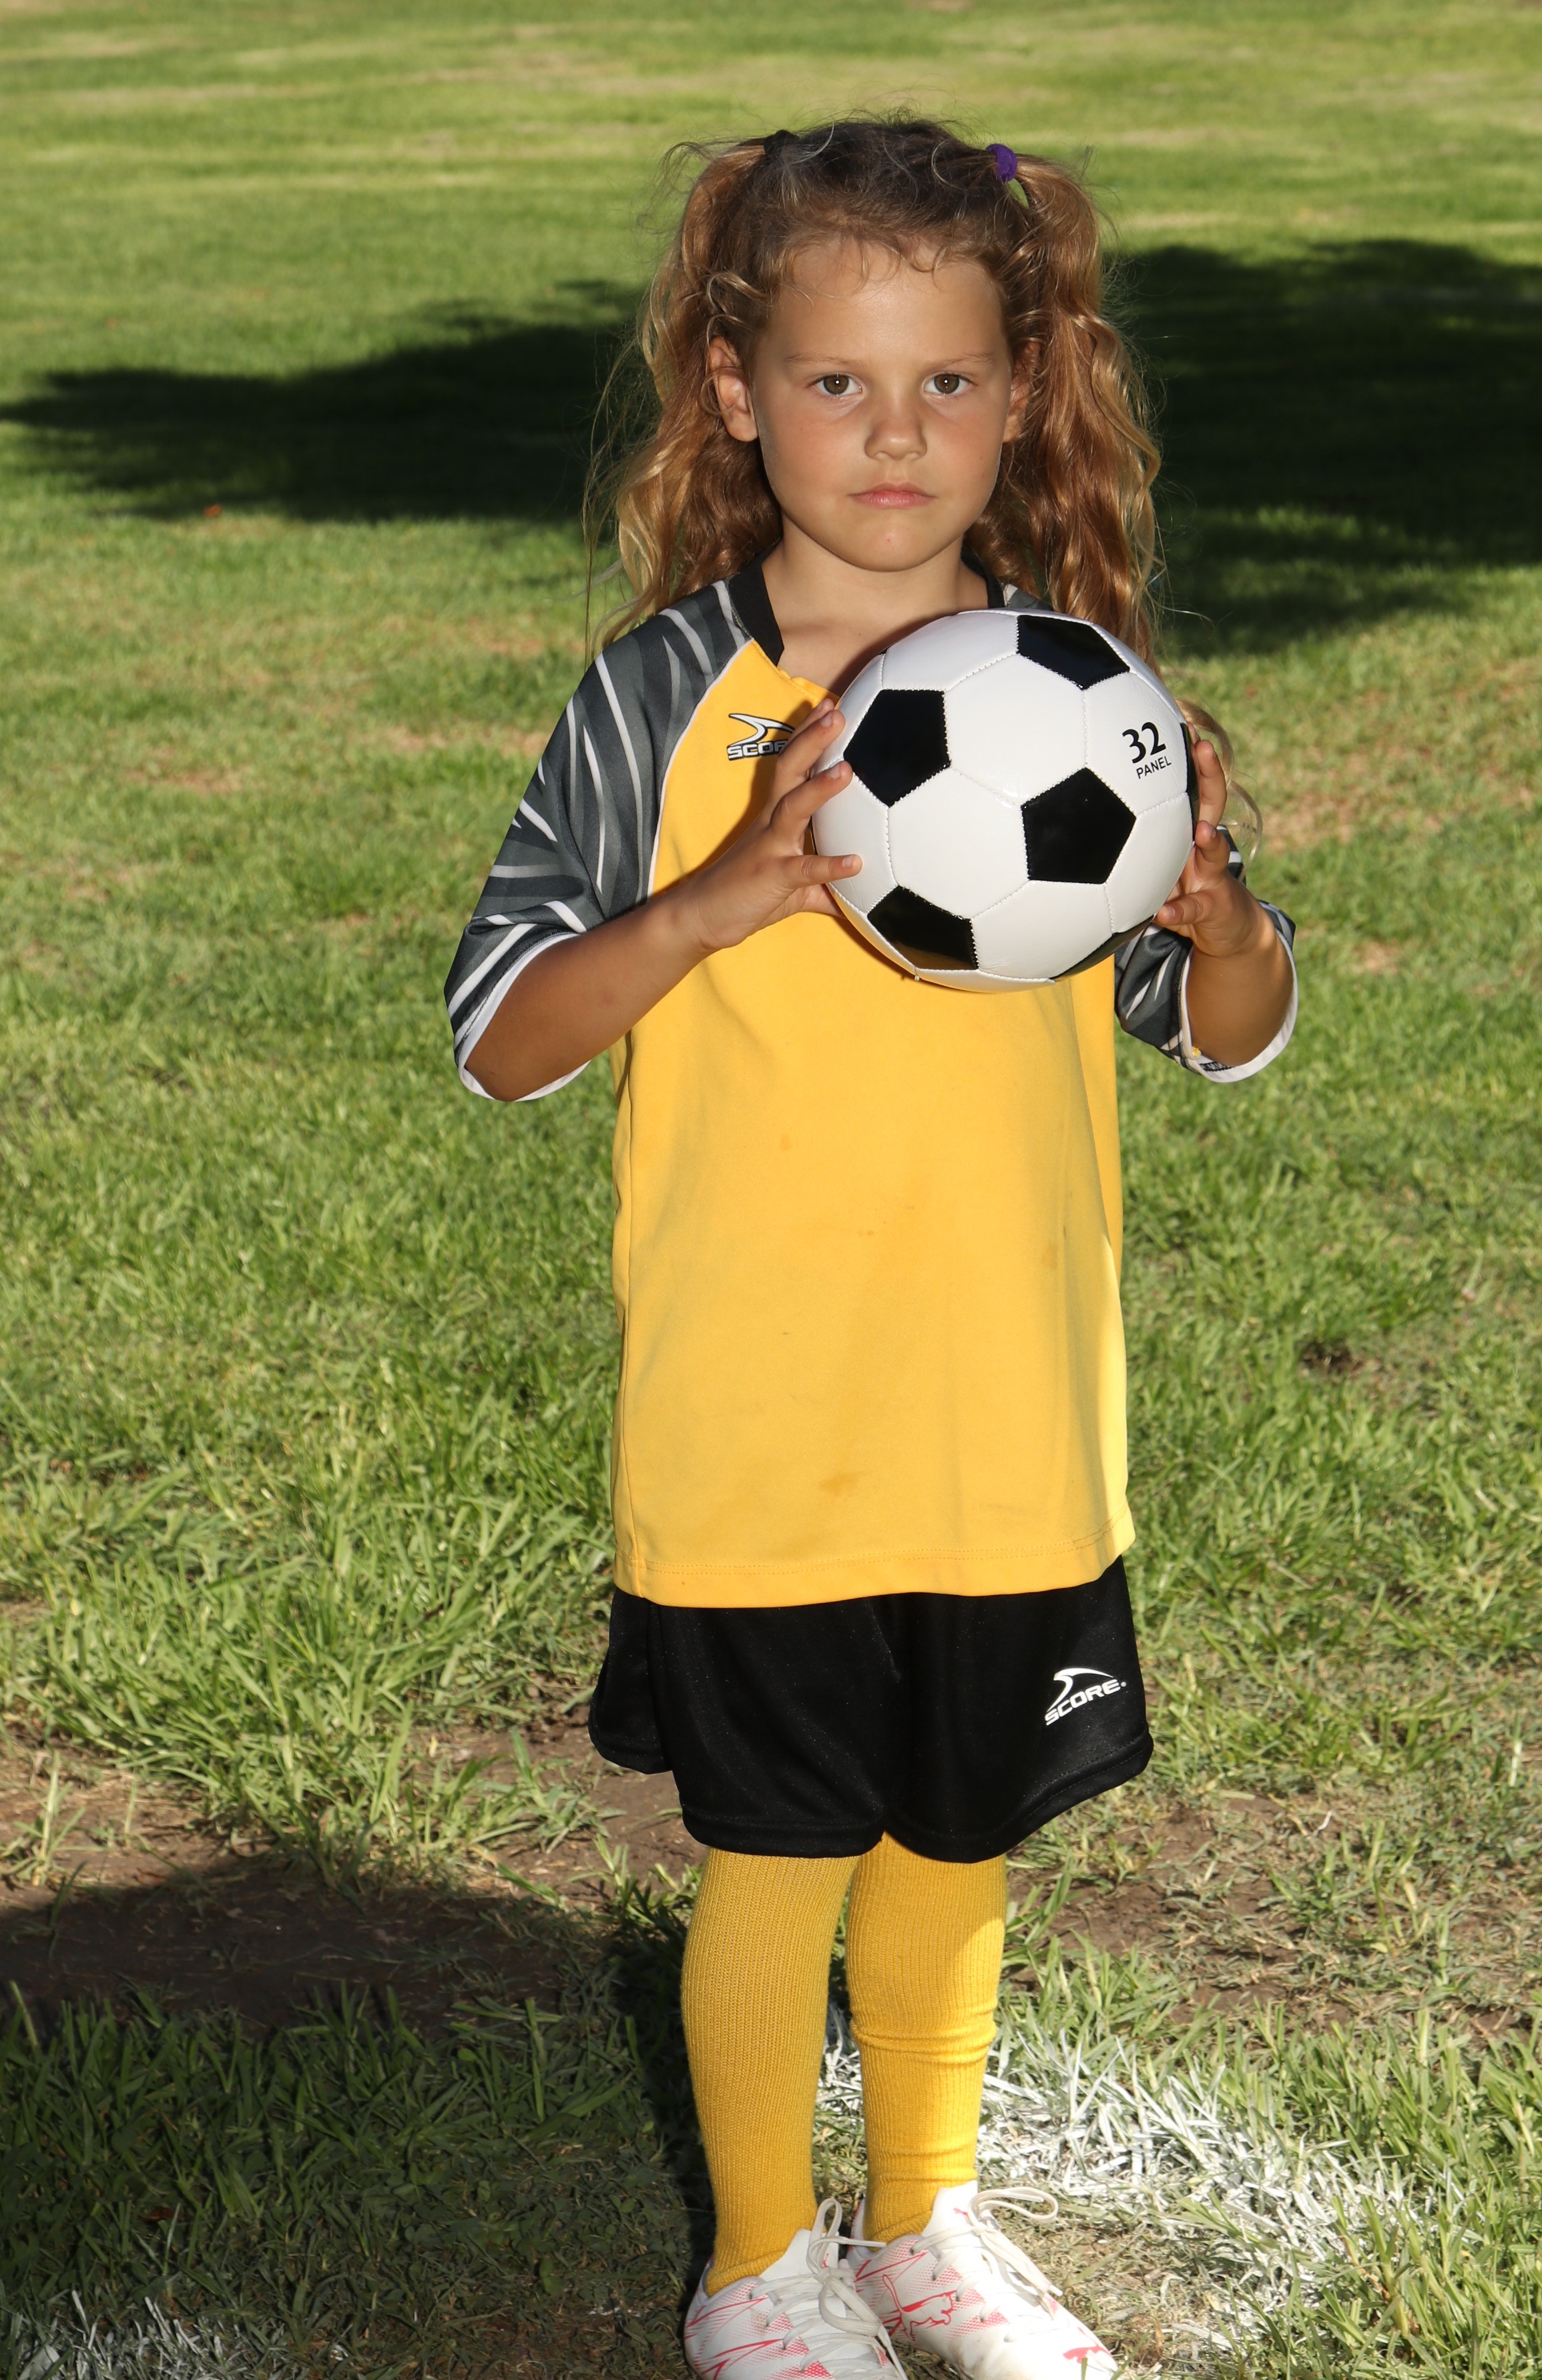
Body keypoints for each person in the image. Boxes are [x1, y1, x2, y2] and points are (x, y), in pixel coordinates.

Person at [445, 119, 1296, 2380]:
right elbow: (503, 1038)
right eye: (837, 383)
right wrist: (716, 897)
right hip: (759, 1419)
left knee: (954, 1845)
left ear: (1025, 395)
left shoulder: (1080, 698)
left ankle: (924, 2226)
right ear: (738, 392)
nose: (893, 436)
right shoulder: (660, 701)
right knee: (780, 1849)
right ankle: (757, 2264)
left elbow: (1227, 1031)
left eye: (944, 384)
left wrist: (1222, 921)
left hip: (1008, 1418)